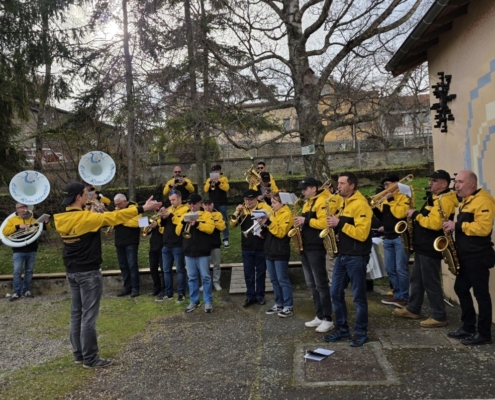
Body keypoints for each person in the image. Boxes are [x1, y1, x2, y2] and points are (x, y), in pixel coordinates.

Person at [53, 182, 161, 368]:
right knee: (89, 316)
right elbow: (115, 216)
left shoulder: (61, 218)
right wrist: (143, 208)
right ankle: (90, 358)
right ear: (78, 197)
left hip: (72, 271)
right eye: (85, 194)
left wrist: (92, 209)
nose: (88, 196)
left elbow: (86, 222)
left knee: (76, 313)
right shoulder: (87, 218)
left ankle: (79, 354)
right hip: (88, 272)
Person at [393, 169, 458, 327]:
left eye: (434, 181)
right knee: (417, 280)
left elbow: (435, 224)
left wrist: (416, 215)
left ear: (444, 184)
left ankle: (439, 316)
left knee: (431, 282)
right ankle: (413, 308)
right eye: (430, 180)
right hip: (423, 245)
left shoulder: (445, 200)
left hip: (431, 246)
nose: (430, 183)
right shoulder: (435, 197)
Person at [444, 170, 495, 345]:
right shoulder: (468, 200)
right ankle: (468, 326)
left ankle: (484, 334)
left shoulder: (483, 201)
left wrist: (457, 226)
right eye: (456, 182)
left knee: (481, 294)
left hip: (478, 255)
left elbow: (483, 229)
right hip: (467, 255)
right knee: (461, 288)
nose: (456, 186)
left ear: (472, 184)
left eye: (460, 182)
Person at [324, 172, 373, 347]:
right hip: (343, 255)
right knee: (335, 292)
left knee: (358, 296)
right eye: (338, 183)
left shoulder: (361, 204)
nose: (338, 186)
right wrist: (339, 235)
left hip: (356, 257)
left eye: (342, 183)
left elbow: (362, 234)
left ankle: (361, 332)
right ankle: (342, 328)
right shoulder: (344, 202)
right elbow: (348, 229)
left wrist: (340, 224)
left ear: (352, 186)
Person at [294, 177, 334, 333]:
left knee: (321, 285)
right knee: (312, 285)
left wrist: (305, 221)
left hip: (317, 247)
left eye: (305, 189)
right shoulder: (308, 202)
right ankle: (319, 315)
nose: (302, 192)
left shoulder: (323, 201)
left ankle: (328, 318)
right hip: (306, 247)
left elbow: (325, 223)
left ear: (314, 188)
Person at [373, 174, 410, 308]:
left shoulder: (404, 195)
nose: (385, 188)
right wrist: (374, 208)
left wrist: (391, 200)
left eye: (388, 184)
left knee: (401, 269)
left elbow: (400, 214)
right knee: (390, 268)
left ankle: (404, 297)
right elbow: (384, 217)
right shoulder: (386, 199)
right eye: (384, 185)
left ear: (396, 184)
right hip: (388, 237)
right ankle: (397, 294)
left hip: (400, 237)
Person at [230, 189, 272, 307]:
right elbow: (232, 224)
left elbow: (271, 223)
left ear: (256, 199)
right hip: (246, 246)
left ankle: (260, 295)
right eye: (246, 200)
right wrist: (237, 211)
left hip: (261, 246)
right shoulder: (242, 210)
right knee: (248, 273)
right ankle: (250, 296)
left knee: (261, 273)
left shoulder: (265, 208)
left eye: (251, 200)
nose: (248, 202)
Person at [175, 193, 215, 313]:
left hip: (203, 251)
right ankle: (194, 301)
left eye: (194, 203)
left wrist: (197, 224)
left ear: (199, 203)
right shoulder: (185, 214)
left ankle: (208, 302)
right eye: (190, 203)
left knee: (206, 277)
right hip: (189, 251)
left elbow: (210, 229)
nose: (191, 205)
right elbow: (177, 232)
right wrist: (183, 222)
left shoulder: (206, 215)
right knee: (192, 278)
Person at [2, 203, 50, 301]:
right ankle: (16, 292)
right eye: (22, 207)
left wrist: (47, 222)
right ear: (17, 209)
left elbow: (46, 228)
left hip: (32, 248)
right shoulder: (12, 220)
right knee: (17, 271)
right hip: (18, 249)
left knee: (29, 271)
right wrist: (18, 226)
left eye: (26, 207)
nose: (25, 209)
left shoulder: (33, 218)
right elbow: (5, 232)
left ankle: (26, 290)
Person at [260, 193, 294, 317]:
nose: (272, 205)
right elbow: (271, 231)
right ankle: (279, 303)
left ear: (282, 203)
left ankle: (288, 306)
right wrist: (262, 228)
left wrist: (268, 223)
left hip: (280, 251)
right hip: (270, 249)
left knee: (282, 280)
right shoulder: (273, 213)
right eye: (272, 202)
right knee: (274, 280)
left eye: (274, 203)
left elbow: (280, 233)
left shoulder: (287, 214)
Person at [158, 190, 189, 302]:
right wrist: (161, 216)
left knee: (180, 270)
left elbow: (181, 222)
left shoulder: (186, 209)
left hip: (178, 244)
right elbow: (161, 225)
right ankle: (168, 293)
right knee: (166, 270)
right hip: (166, 244)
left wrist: (170, 215)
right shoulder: (168, 209)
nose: (171, 202)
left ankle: (181, 293)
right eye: (170, 200)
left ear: (180, 198)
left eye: (173, 200)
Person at [113, 193, 142, 297]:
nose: (117, 206)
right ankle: (127, 287)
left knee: (132, 265)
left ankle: (135, 288)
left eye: (119, 204)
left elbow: (136, 223)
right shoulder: (117, 209)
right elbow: (112, 220)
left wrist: (121, 219)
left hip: (131, 241)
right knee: (123, 265)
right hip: (119, 241)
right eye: (116, 204)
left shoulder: (135, 208)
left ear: (125, 201)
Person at [202, 198, 226, 291]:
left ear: (212, 205)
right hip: (203, 244)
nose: (207, 207)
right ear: (203, 206)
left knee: (216, 264)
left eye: (209, 205)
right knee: (204, 265)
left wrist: (211, 222)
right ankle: (205, 283)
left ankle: (216, 282)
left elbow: (222, 227)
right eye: (206, 205)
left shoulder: (218, 214)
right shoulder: (200, 214)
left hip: (215, 242)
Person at [203, 164, 230, 248]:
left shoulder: (224, 178)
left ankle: (225, 239)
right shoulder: (209, 179)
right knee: (210, 219)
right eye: (214, 171)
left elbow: (226, 188)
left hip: (222, 202)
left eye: (217, 170)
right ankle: (211, 237)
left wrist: (218, 182)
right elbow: (205, 189)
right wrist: (210, 182)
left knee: (224, 220)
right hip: (212, 203)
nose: (215, 172)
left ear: (220, 170)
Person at [143, 204, 164, 296]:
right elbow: (146, 232)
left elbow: (165, 230)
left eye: (158, 209)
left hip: (162, 245)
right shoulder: (152, 218)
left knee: (164, 269)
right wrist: (149, 226)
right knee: (153, 268)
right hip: (153, 246)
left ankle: (164, 288)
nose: (156, 211)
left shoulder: (165, 218)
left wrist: (157, 226)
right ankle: (156, 288)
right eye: (155, 210)